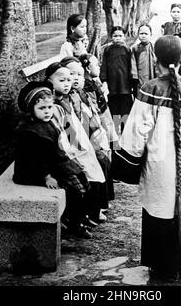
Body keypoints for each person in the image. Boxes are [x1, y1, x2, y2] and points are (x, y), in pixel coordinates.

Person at [112, 35, 181, 282]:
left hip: (159, 165)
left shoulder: (149, 89)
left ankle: (160, 267)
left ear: (156, 60)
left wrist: (127, 163)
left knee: (159, 210)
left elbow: (136, 131)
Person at [13, 81, 91, 238]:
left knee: (82, 177)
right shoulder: (29, 131)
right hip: (33, 171)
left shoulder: (47, 123)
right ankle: (72, 224)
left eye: (49, 107)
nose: (47, 112)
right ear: (31, 109)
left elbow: (55, 147)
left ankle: (78, 218)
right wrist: (47, 177)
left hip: (50, 162)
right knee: (74, 188)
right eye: (41, 108)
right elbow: (35, 159)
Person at [45, 62, 106, 233]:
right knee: (82, 174)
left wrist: (80, 145)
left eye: (68, 80)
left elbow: (72, 126)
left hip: (74, 142)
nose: (66, 83)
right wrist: (75, 148)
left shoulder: (67, 99)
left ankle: (85, 215)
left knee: (93, 168)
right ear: (50, 81)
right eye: (61, 80)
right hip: (64, 149)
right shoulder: (53, 105)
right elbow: (62, 132)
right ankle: (76, 220)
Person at [60, 56, 111, 222]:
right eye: (70, 75)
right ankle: (90, 212)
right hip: (72, 146)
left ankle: (98, 207)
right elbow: (70, 132)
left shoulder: (78, 95)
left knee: (102, 158)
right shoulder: (62, 103)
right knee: (93, 162)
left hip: (83, 139)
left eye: (78, 75)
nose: (75, 79)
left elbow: (90, 119)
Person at [100, 26, 133, 135]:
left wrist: (132, 82)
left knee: (125, 109)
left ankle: (124, 131)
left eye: (120, 36)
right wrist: (104, 81)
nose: (118, 38)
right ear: (111, 37)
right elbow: (104, 66)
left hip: (125, 86)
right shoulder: (108, 50)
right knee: (113, 108)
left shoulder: (127, 50)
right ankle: (114, 130)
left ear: (124, 37)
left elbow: (131, 67)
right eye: (115, 36)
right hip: (112, 86)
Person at [131, 23, 157, 96]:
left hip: (152, 75)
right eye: (141, 33)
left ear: (150, 34)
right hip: (140, 77)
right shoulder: (135, 48)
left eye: (146, 33)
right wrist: (135, 78)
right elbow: (133, 64)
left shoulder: (155, 47)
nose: (143, 35)